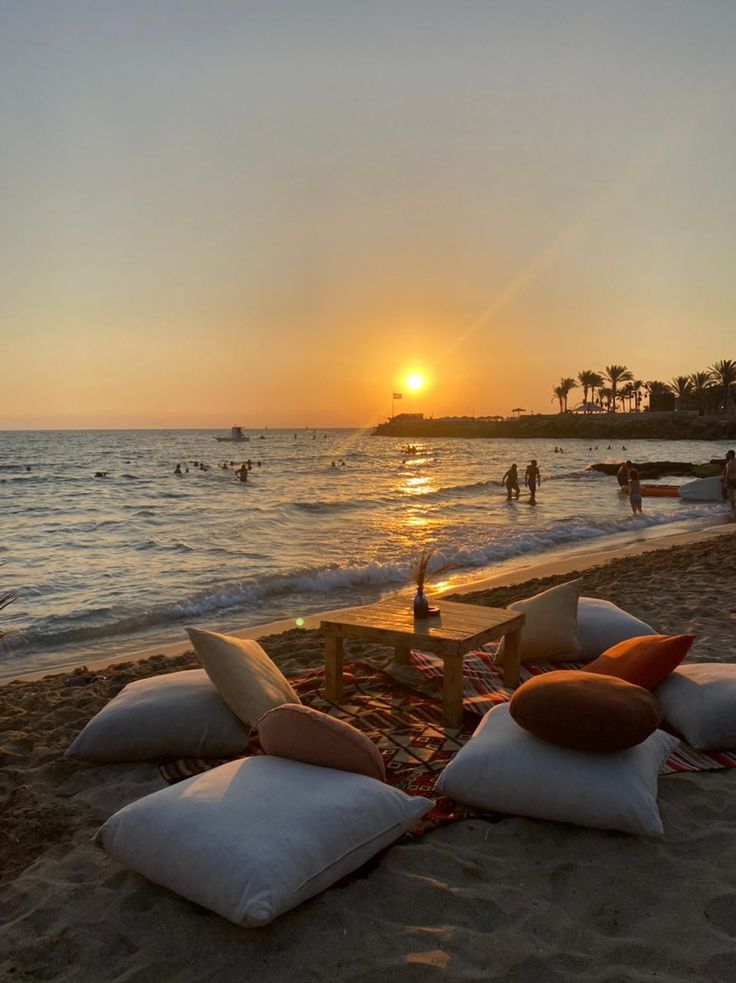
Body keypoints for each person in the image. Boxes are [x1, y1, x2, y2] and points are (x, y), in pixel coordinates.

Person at [724, 450, 736, 518]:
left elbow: (727, 474)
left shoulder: (729, 463)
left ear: (730, 454)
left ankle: (733, 509)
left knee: (730, 495)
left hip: (731, 480)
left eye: (728, 453)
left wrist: (725, 482)